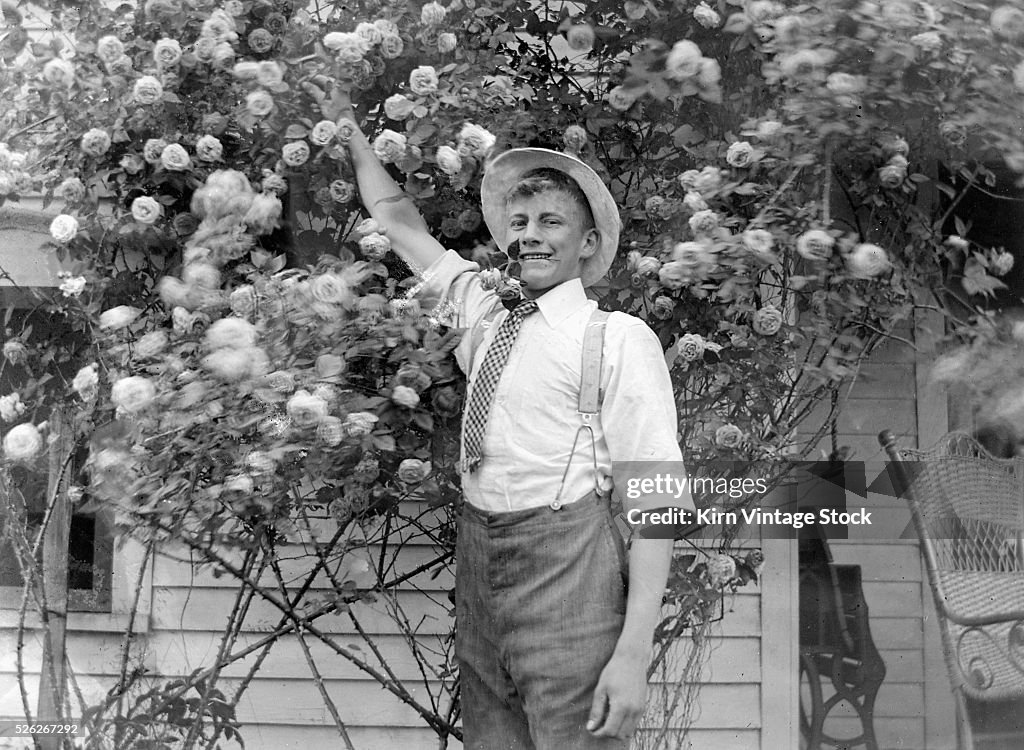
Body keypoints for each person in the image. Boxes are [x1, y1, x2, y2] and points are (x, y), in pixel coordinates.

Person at [324, 88, 693, 749]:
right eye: (519, 222)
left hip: (569, 577)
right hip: (481, 569)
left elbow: (657, 503)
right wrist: (352, 135)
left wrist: (634, 654)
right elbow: (398, 218)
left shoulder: (615, 337)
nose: (529, 235)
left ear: (587, 243)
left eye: (551, 222)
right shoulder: (486, 321)